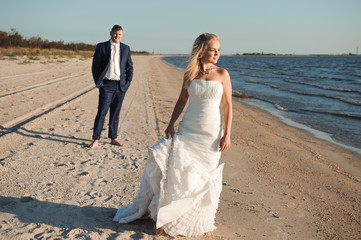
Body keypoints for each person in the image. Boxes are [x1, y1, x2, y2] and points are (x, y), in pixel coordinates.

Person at [113, 33, 232, 237]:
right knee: (179, 173)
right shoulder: (190, 74)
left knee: (205, 176)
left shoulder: (222, 74)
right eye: (213, 49)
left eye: (218, 50)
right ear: (202, 49)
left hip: (211, 134)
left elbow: (229, 106)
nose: (217, 53)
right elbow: (181, 101)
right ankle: (166, 218)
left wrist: (227, 134)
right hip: (189, 131)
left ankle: (203, 220)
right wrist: (170, 124)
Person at [89, 25, 133, 149]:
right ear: (110, 33)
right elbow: (95, 66)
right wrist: (99, 83)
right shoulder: (101, 47)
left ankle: (113, 138)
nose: (117, 36)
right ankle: (96, 139)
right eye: (115, 34)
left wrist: (127, 82)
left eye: (119, 34)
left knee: (115, 113)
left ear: (122, 35)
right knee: (102, 112)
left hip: (120, 86)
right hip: (106, 85)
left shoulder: (125, 48)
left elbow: (130, 67)